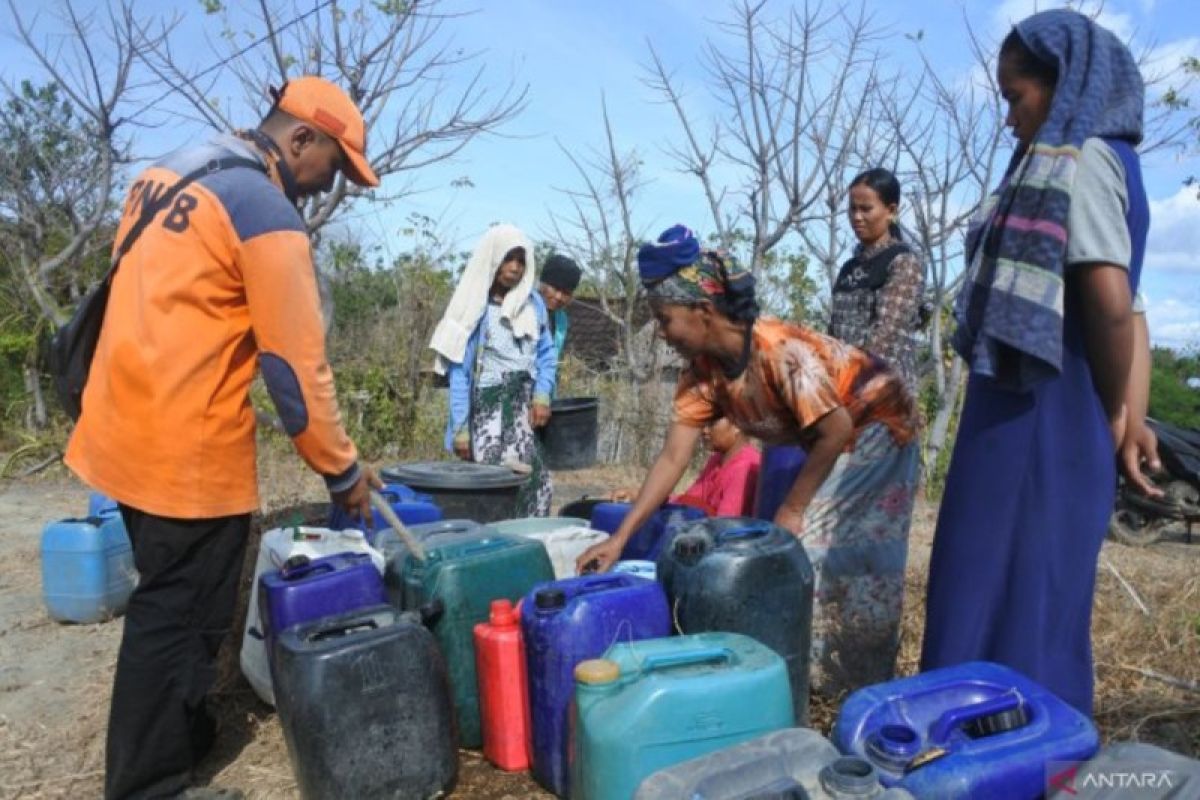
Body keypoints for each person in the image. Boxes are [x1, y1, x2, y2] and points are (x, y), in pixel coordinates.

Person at [63, 76, 382, 799]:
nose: (327, 183)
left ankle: (179, 730)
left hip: (120, 423)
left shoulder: (170, 171)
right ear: (301, 137)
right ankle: (151, 783)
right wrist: (343, 471)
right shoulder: (266, 212)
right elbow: (296, 372)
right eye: (331, 164)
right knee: (178, 616)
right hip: (186, 448)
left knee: (167, 600)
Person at [920, 9, 1160, 717]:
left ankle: (977, 751)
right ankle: (1021, 749)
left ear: (1067, 86)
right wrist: (1129, 414)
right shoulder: (1112, 166)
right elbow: (1135, 311)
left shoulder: (1077, 163)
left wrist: (1116, 409)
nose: (1007, 119)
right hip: (1053, 417)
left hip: (1035, 418)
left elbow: (1113, 304)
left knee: (991, 592)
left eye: (1014, 97)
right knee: (1036, 595)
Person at [576, 224, 921, 694]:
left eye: (664, 319)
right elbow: (674, 455)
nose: (661, 333)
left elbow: (835, 429)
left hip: (879, 424)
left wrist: (794, 507)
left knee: (826, 554)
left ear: (702, 310)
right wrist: (620, 539)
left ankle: (844, 682)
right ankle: (810, 680)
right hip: (830, 436)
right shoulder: (702, 372)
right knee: (804, 552)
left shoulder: (779, 352)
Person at [430, 225, 557, 515]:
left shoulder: (533, 304)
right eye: (508, 259)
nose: (514, 268)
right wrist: (461, 428)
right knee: (493, 485)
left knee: (537, 483)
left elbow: (546, 355)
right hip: (489, 412)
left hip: (525, 411)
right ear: (492, 259)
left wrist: (542, 395)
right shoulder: (477, 307)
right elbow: (460, 371)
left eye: (521, 261)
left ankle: (530, 543)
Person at [830, 168, 927, 390]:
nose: (857, 217)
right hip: (842, 386)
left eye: (866, 209)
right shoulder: (848, 269)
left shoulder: (903, 262)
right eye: (852, 209)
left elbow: (886, 337)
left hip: (883, 394)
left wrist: (851, 383)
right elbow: (833, 335)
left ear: (891, 210)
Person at [613, 417, 761, 517]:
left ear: (737, 426)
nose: (704, 431)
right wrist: (640, 496)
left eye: (712, 424)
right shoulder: (717, 460)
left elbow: (724, 528)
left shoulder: (745, 468)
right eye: (704, 424)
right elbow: (688, 502)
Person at [538, 253, 582, 359]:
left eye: (566, 293)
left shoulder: (561, 320)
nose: (558, 297)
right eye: (556, 288)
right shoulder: (523, 309)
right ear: (542, 283)